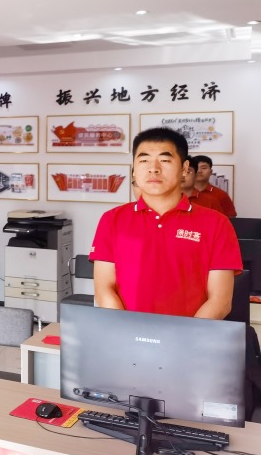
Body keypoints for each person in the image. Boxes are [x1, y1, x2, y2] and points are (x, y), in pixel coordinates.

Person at [90, 127, 242, 319]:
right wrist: (127, 331)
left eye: (165, 160)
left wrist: (183, 335)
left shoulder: (217, 224)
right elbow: (104, 290)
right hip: (126, 332)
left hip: (191, 334)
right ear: (134, 169)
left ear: (184, 168)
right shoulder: (112, 220)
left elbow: (220, 301)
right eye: (144, 160)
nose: (153, 168)